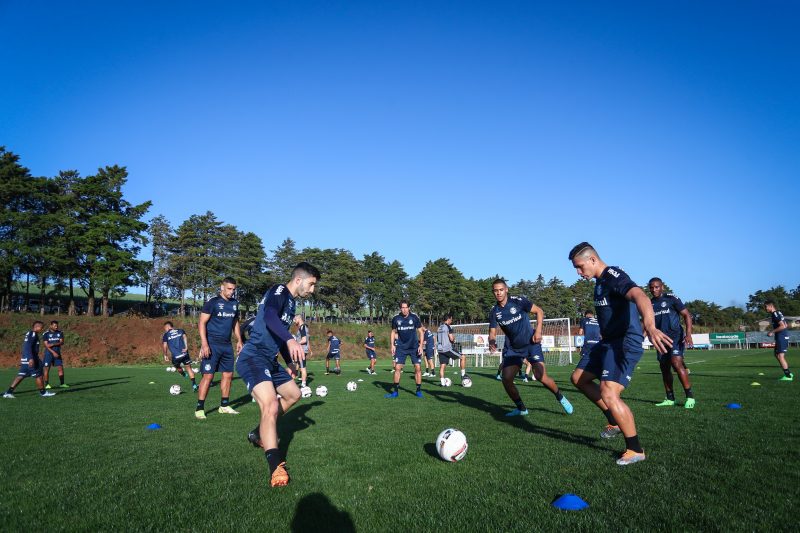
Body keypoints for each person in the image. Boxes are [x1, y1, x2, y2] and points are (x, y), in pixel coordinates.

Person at [568, 242, 672, 466]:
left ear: (592, 260)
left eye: (579, 266)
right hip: (607, 342)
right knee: (579, 378)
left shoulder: (613, 275)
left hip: (624, 342)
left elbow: (640, 296)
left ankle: (635, 449)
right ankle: (614, 421)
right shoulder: (599, 283)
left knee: (608, 392)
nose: (578, 272)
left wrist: (650, 326)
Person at [236, 262, 320, 487]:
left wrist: (290, 361)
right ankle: (275, 466)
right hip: (253, 357)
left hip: (270, 361)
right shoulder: (279, 291)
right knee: (271, 405)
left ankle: (258, 432)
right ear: (299, 280)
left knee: (294, 394)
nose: (312, 290)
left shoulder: (291, 303)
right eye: (311, 284)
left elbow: (278, 334)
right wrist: (291, 339)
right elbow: (270, 317)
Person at [488, 279, 573, 417]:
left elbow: (539, 311)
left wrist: (538, 331)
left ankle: (560, 397)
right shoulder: (494, 311)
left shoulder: (518, 301)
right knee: (506, 378)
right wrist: (492, 342)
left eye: (501, 290)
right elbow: (492, 332)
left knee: (540, 376)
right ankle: (521, 408)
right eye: (495, 291)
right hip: (514, 349)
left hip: (531, 344)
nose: (498, 293)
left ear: (506, 289)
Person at [196, 277, 243, 419]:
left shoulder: (234, 303)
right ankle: (200, 408)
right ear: (222, 287)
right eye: (229, 289)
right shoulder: (213, 302)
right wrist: (204, 344)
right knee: (208, 376)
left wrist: (239, 340)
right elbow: (202, 323)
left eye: (233, 289)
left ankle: (224, 406)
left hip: (227, 345)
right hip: (212, 344)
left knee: (228, 375)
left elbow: (235, 322)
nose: (231, 292)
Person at [648, 278, 696, 408]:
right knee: (664, 368)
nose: (654, 290)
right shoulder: (649, 304)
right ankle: (670, 398)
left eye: (657, 287)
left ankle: (690, 397)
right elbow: (646, 323)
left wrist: (688, 334)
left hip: (676, 336)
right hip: (661, 340)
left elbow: (687, 315)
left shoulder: (671, 298)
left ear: (662, 287)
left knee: (676, 363)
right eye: (651, 287)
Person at [3, 321, 57, 398]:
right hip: (32, 359)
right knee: (39, 375)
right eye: (41, 327)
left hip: (25, 359)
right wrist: (30, 358)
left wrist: (27, 358)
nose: (42, 329)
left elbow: (26, 347)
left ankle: (8, 392)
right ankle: (43, 392)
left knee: (21, 375)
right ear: (37, 327)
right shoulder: (33, 334)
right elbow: (27, 347)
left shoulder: (30, 333)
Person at [385, 300, 424, 398]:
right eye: (402, 307)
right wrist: (392, 345)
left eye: (406, 307)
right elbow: (393, 332)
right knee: (397, 368)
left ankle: (418, 390)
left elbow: (421, 332)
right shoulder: (396, 319)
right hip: (401, 347)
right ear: (400, 308)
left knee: (418, 368)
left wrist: (420, 346)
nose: (404, 309)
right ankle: (395, 392)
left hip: (414, 347)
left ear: (409, 308)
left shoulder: (414, 317)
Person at [162, 321, 198, 392]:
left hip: (176, 357)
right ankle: (194, 384)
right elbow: (185, 337)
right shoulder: (181, 330)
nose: (165, 330)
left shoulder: (166, 335)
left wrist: (165, 355)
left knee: (178, 367)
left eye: (165, 328)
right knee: (189, 368)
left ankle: (183, 374)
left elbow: (165, 345)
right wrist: (186, 347)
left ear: (167, 327)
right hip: (185, 354)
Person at [765, 300, 793, 381]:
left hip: (782, 337)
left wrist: (772, 332)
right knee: (777, 354)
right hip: (780, 336)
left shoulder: (775, 314)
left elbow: (783, 326)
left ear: (771, 306)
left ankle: (788, 376)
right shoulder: (778, 313)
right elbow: (785, 324)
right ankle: (788, 373)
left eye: (766, 307)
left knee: (780, 356)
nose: (765, 308)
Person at [436, 314, 468, 384]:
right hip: (447, 348)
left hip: (440, 349)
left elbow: (438, 338)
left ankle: (442, 382)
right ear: (448, 319)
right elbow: (451, 338)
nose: (451, 321)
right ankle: (463, 375)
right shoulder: (448, 327)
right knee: (463, 357)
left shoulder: (439, 327)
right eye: (451, 319)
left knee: (442, 365)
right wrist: (453, 339)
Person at [42, 320, 68, 389]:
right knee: (46, 369)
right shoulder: (46, 334)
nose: (56, 327)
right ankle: (47, 384)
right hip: (48, 354)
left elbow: (62, 342)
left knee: (60, 368)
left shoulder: (60, 333)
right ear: (51, 326)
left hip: (57, 353)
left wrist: (53, 344)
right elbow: (46, 345)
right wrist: (53, 352)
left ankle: (62, 384)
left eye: (57, 326)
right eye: (54, 326)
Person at [294, 316, 310, 387]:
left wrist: (295, 344)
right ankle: (302, 383)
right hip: (302, 350)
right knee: (300, 366)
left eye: (295, 319)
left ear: (299, 319)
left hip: (302, 350)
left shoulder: (302, 327)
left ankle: (303, 385)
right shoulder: (302, 327)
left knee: (303, 367)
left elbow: (304, 340)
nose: (294, 321)